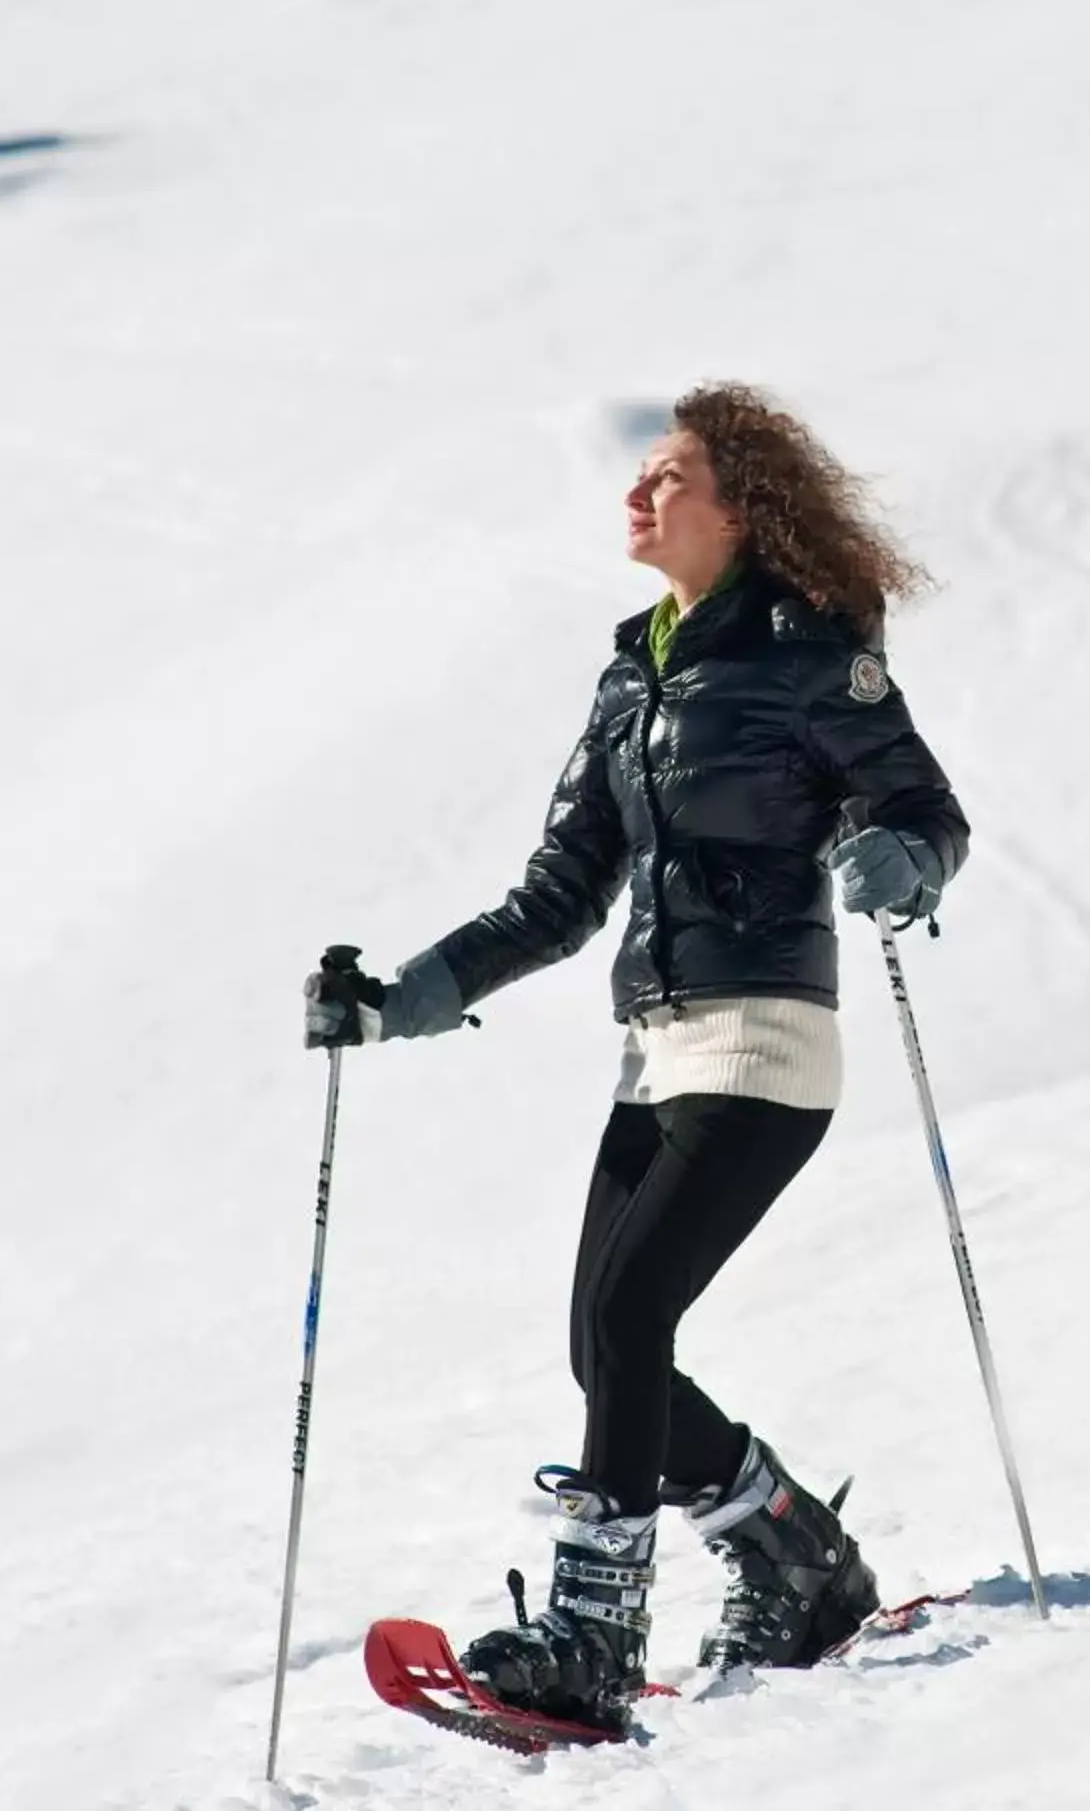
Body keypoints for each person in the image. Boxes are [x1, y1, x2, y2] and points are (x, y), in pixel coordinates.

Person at [304, 384, 969, 1730]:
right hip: (655, 1053)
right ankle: (792, 1554)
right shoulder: (631, 677)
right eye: (644, 476)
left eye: (669, 479)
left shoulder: (806, 657)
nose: (639, 495)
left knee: (626, 1322)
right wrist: (398, 1003)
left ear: (739, 509)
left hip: (766, 1041)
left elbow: (921, 806)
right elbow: (557, 892)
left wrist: (897, 860)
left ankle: (594, 1642)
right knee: (602, 1353)